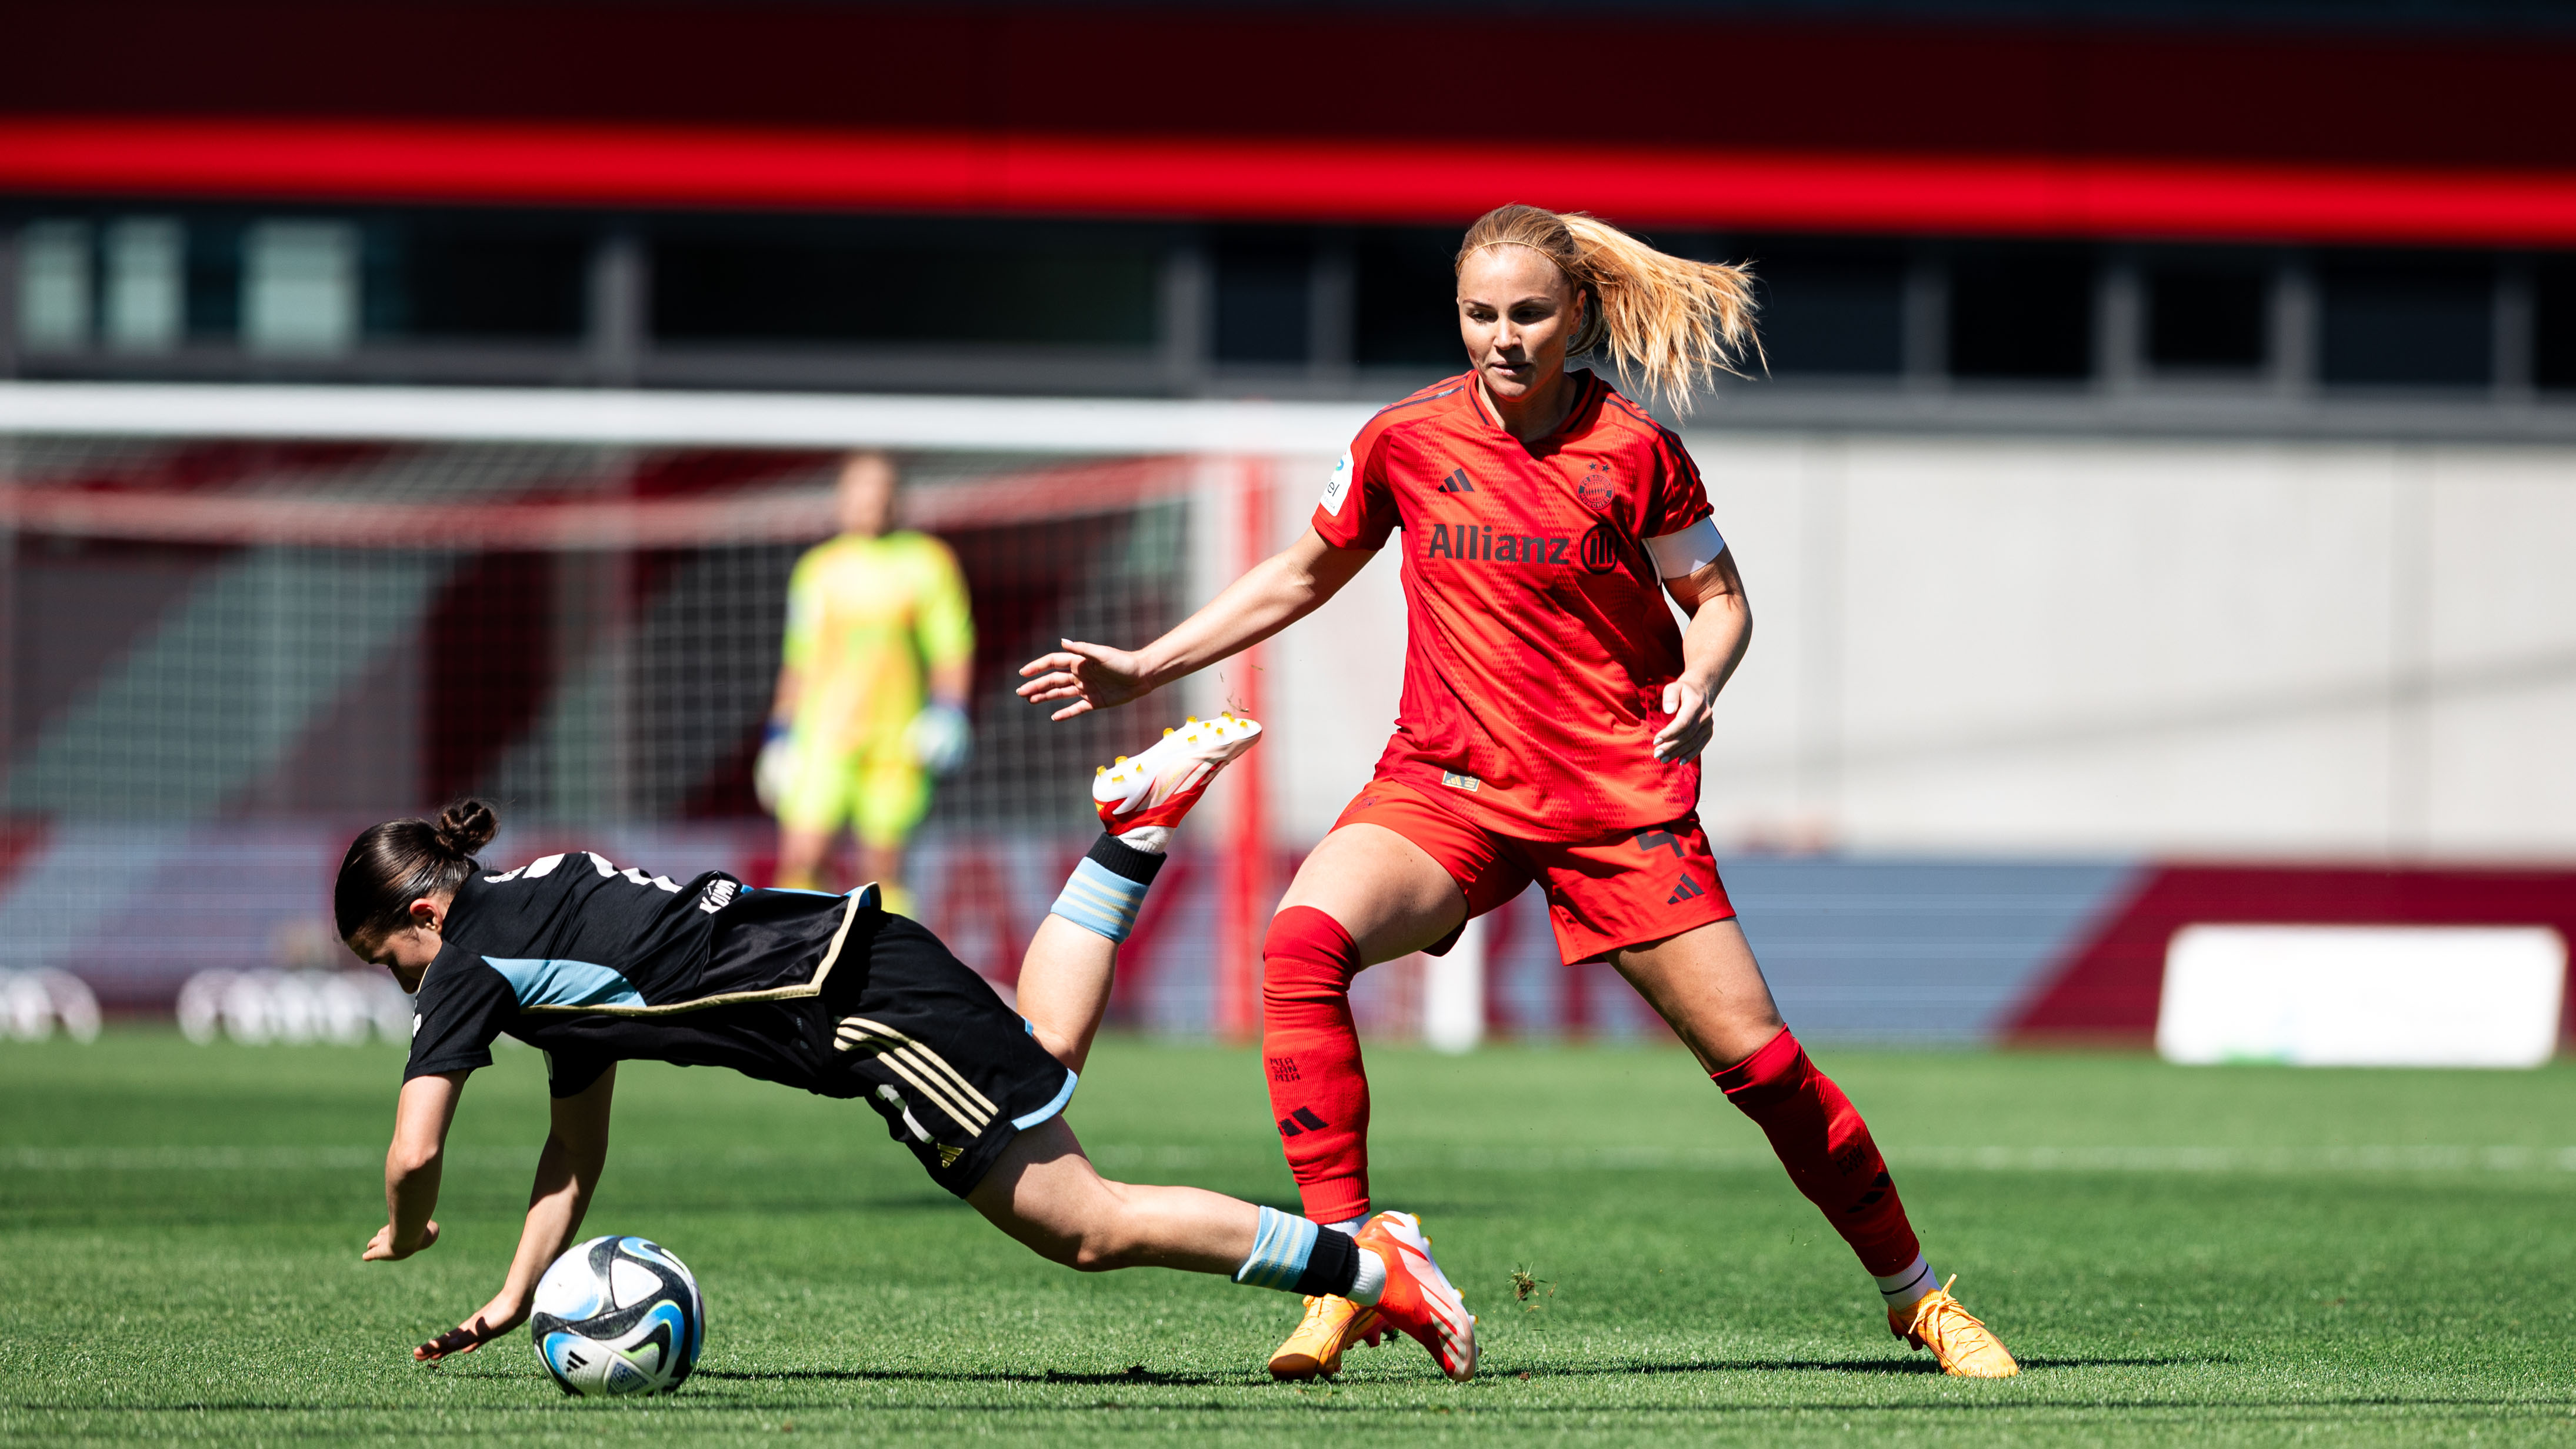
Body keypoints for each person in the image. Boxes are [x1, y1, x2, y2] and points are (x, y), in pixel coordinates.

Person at [1014, 204, 2018, 1380]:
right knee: (1298, 944)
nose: (1502, 337)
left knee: (1761, 1067)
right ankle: (1352, 1260)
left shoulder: (1631, 449)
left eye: (1528, 313)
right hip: (1446, 787)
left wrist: (1699, 682)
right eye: (1480, 314)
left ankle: (1914, 1297)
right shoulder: (1403, 438)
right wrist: (1144, 665)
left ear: (1576, 314)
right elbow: (1300, 572)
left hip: (1613, 799)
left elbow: (1720, 599)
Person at [341, 725, 1477, 1381]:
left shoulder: (471, 963)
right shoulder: (531, 921)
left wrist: (406, 1223)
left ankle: (1372, 1267)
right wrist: (512, 1290)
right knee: (1050, 1051)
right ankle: (1134, 829)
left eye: (385, 955)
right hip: (863, 955)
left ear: (427, 915)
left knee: (1085, 1222)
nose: (400, 982)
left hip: (854, 1008)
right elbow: (572, 1148)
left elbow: (413, 1144)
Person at [758, 450, 974, 916]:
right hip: (822, 735)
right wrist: (779, 734)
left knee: (884, 865)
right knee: (803, 854)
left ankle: (888, 970)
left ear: (896, 499)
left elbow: (951, 649)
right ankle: (797, 960)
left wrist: (948, 712)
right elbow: (800, 660)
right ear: (841, 499)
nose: (869, 501)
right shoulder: (819, 569)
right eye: (859, 490)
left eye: (880, 491)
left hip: (895, 740)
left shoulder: (928, 563)